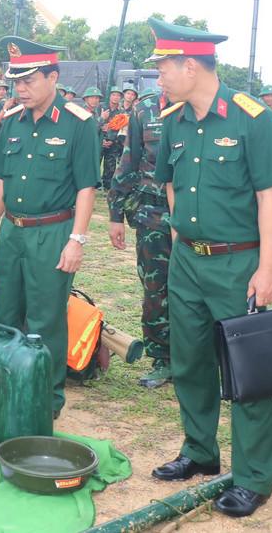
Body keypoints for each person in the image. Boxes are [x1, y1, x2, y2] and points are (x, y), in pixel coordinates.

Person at [147, 17, 272, 518]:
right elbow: (169, 184)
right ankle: (200, 452)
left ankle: (253, 477)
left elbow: (268, 196)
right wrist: (179, 239)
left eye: (163, 67)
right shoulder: (173, 122)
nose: (159, 77)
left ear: (190, 65)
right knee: (190, 361)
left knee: (248, 373)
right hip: (187, 261)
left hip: (238, 264)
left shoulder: (252, 117)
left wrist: (266, 268)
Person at [0, 37, 100, 418]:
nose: (21, 88)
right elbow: (1, 179)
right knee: (5, 314)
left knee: (46, 318)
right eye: (17, 81)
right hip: (14, 231)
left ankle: (45, 399)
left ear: (53, 77)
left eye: (29, 80)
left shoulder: (78, 123)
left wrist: (76, 240)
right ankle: (4, 385)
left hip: (53, 232)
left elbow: (85, 187)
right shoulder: (13, 121)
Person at [107, 87, 173, 388]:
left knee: (200, 291)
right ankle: (163, 357)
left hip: (201, 218)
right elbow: (129, 161)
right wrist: (115, 214)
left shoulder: (211, 109)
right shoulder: (144, 111)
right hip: (154, 215)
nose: (163, 76)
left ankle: (204, 358)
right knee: (155, 287)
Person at [100, 86, 127, 189]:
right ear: (109, 96)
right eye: (113, 95)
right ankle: (93, 185)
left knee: (110, 166)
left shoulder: (121, 112)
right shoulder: (101, 108)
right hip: (99, 141)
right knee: (95, 164)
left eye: (118, 95)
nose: (116, 97)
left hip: (113, 143)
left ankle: (107, 186)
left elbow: (122, 129)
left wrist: (112, 140)